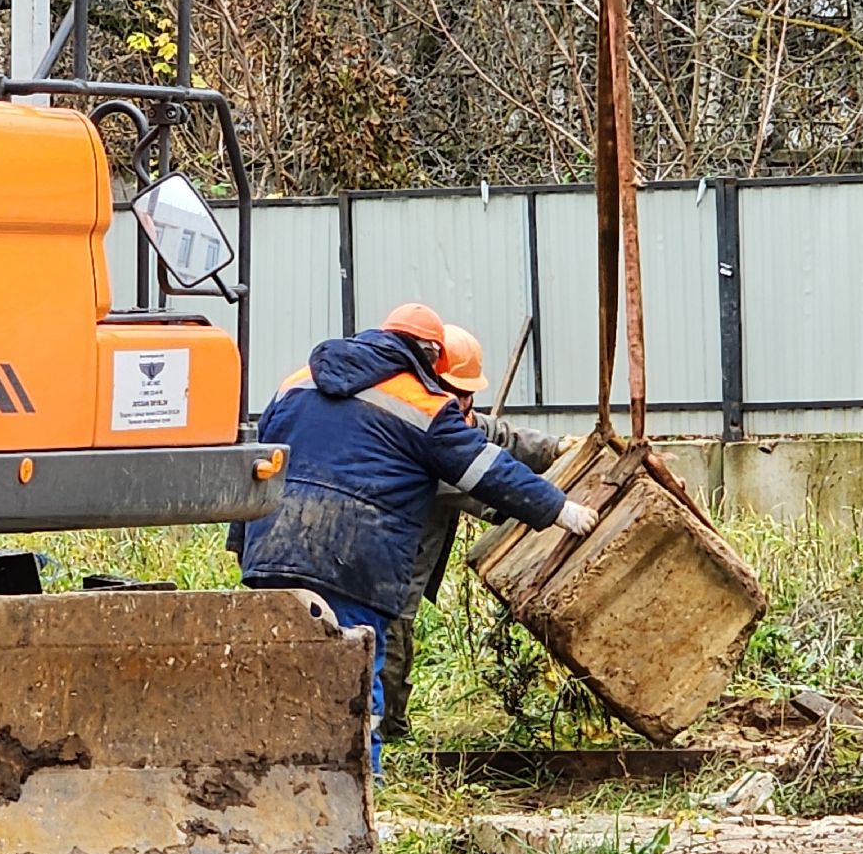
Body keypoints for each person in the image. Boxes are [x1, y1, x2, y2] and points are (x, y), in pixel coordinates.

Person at [227, 304, 600, 774]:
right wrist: (559, 508)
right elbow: (484, 467)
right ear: (429, 356)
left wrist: (244, 541)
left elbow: (261, 461)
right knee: (356, 680)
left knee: (281, 672)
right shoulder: (421, 404)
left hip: (273, 548)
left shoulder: (297, 379)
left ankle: (276, 779)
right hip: (352, 560)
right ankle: (360, 790)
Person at [380, 325, 576, 740]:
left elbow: (498, 436)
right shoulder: (419, 430)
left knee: (396, 635)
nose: (464, 402)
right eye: (455, 391)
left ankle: (388, 728)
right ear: (428, 381)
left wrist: (558, 449)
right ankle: (387, 733)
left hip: (405, 563)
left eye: (470, 394)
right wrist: (553, 508)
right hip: (388, 563)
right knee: (389, 642)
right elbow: (484, 490)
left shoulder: (455, 416)